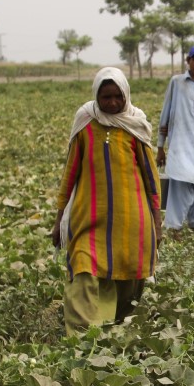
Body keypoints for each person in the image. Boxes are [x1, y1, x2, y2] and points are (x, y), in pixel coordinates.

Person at [51, 67, 162, 334]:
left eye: (117, 97)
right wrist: (58, 220)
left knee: (128, 283)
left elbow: (151, 179)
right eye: (106, 98)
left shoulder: (135, 125)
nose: (112, 103)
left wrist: (157, 223)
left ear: (126, 95)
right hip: (88, 220)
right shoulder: (85, 124)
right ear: (96, 97)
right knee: (83, 273)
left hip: (131, 223)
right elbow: (70, 174)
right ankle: (81, 343)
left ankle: (111, 333)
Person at [156, 44, 194, 232]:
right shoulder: (177, 82)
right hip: (180, 146)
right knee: (178, 188)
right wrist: (160, 146)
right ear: (188, 61)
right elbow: (166, 114)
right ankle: (174, 228)